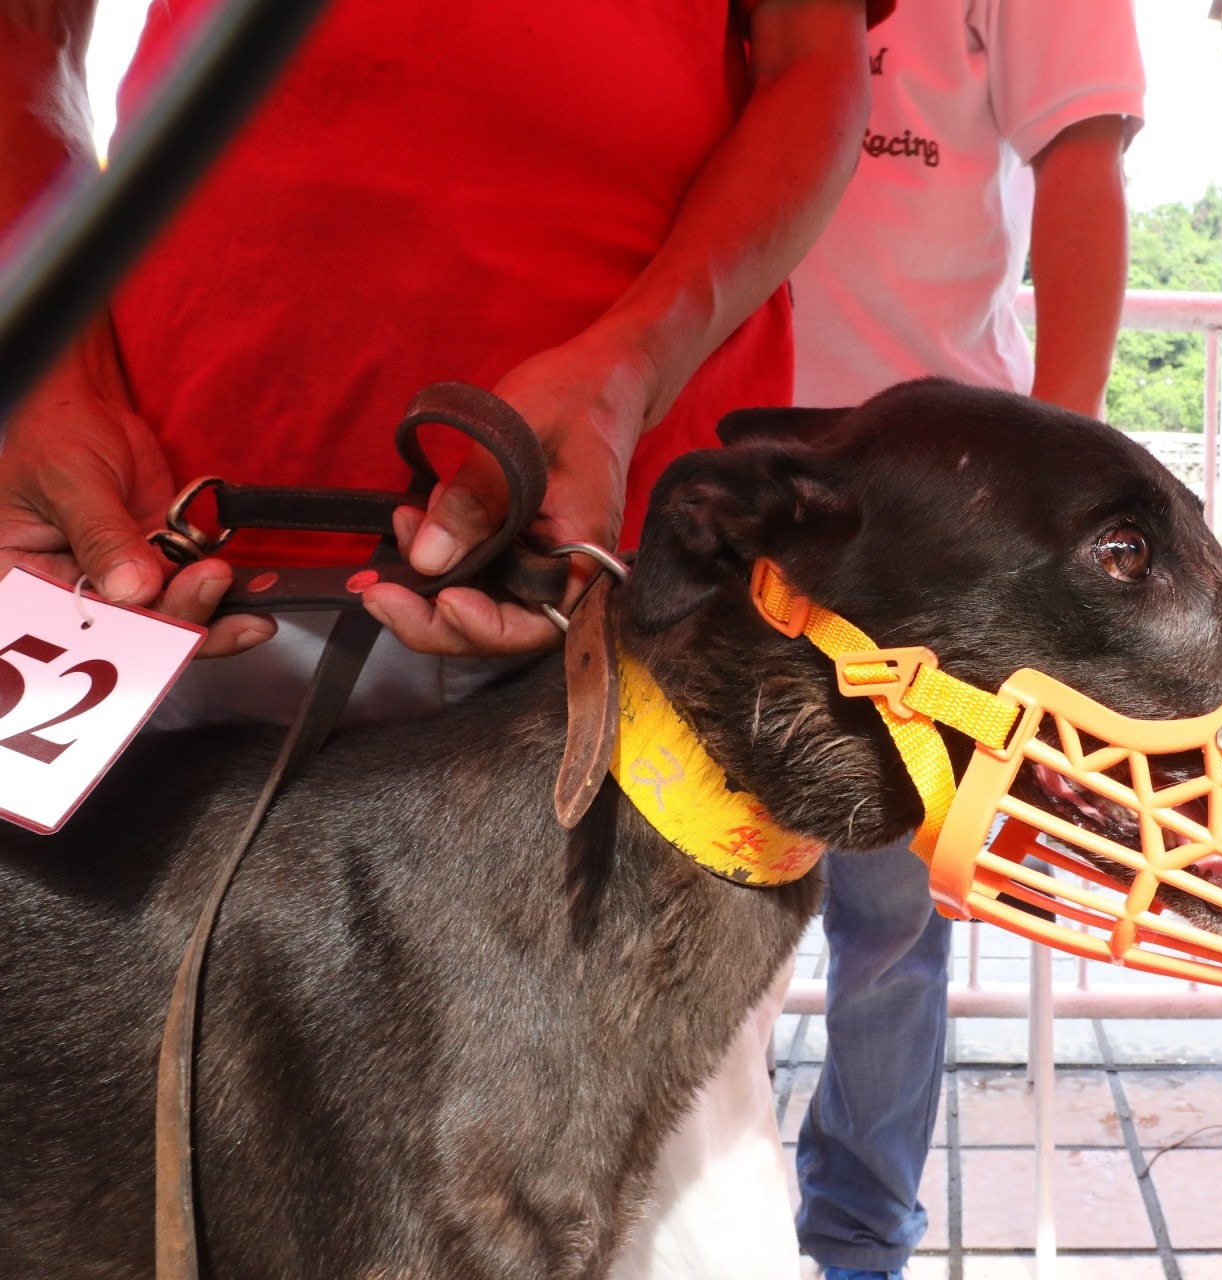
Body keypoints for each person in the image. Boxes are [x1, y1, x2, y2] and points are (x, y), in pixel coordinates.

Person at [0, 1, 877, 1274]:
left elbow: (814, 63)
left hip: (608, 579)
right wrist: (50, 371)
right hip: (168, 556)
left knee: (666, 1216)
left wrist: (631, 366)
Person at [785, 3, 1146, 1276]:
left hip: (925, 483)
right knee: (679, 883)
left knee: (886, 915)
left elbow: (1080, 161)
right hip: (708, 447)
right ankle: (677, 1213)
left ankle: (856, 1242)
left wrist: (1058, 476)